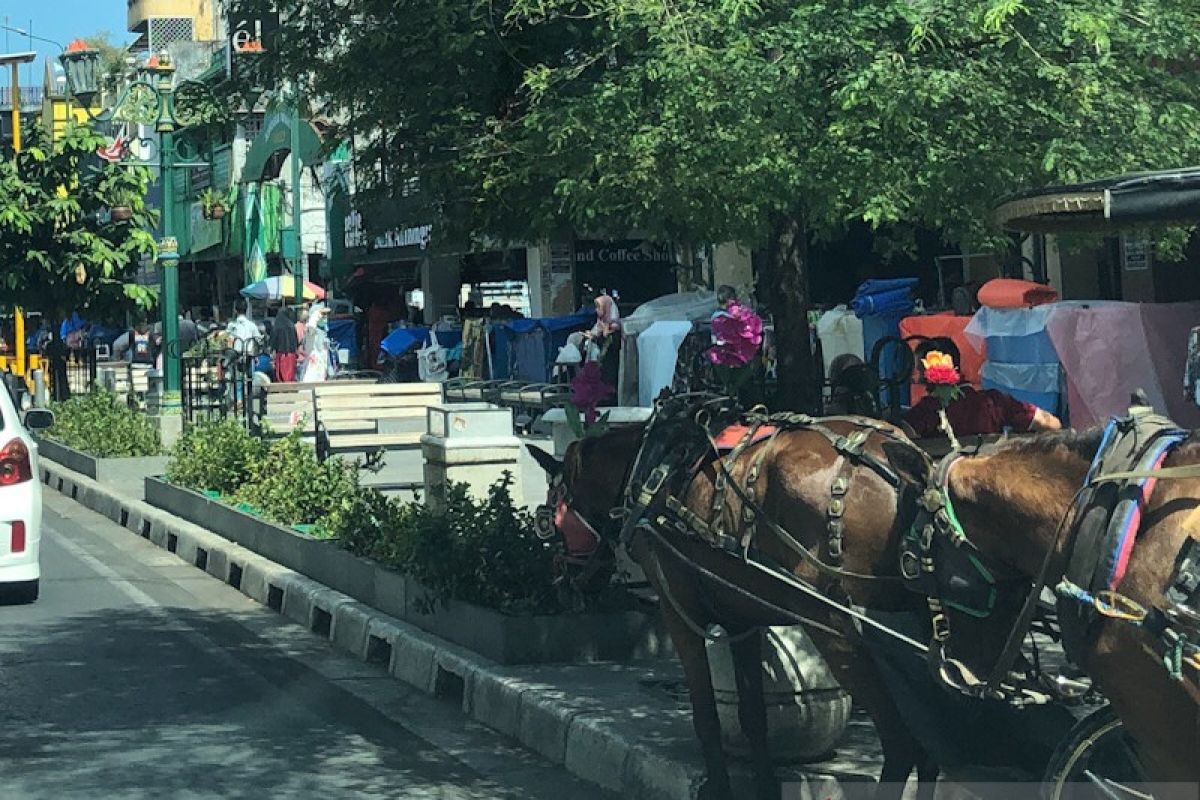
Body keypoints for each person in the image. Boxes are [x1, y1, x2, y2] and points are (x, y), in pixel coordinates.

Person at [902, 338, 1062, 439]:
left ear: (925, 374)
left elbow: (898, 439)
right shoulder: (994, 401)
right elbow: (1051, 424)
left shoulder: (925, 411)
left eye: (918, 368)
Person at [301, 302, 332, 383]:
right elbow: (311, 325)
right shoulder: (310, 330)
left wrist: (329, 368)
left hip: (321, 369)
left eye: (326, 315)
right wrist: (316, 314)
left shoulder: (323, 332)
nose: (325, 317)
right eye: (323, 315)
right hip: (311, 371)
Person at [270, 306, 300, 383]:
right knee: (290, 375)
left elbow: (273, 341)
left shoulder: (277, 325)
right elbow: (296, 341)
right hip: (291, 354)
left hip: (280, 354)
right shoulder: (291, 325)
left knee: (281, 376)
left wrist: (272, 350)